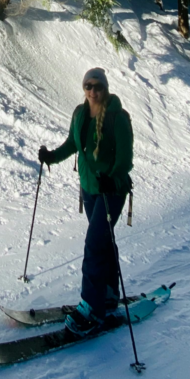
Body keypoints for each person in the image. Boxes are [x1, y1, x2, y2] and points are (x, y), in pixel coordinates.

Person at [38, 67, 133, 336]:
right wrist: (51, 156)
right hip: (90, 190)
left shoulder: (118, 117)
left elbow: (125, 160)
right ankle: (109, 293)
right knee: (103, 241)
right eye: (88, 86)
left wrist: (111, 178)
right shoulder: (80, 114)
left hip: (112, 192)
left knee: (93, 245)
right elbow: (73, 144)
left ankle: (91, 309)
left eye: (98, 87)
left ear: (106, 89)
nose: (93, 91)